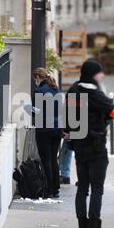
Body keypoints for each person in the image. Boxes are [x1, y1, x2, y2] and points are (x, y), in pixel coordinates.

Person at [66, 60, 114, 228]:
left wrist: (69, 133)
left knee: (82, 188)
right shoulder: (94, 94)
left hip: (79, 146)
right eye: (99, 73)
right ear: (92, 74)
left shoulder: (73, 90)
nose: (102, 76)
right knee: (96, 189)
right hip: (95, 146)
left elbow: (68, 117)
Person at [33, 68, 63, 198]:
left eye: (35, 79)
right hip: (57, 128)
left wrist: (28, 108)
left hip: (44, 128)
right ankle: (56, 189)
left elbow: (37, 111)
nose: (35, 81)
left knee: (46, 160)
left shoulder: (39, 91)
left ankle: (49, 189)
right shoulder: (55, 89)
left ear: (38, 77)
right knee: (53, 159)